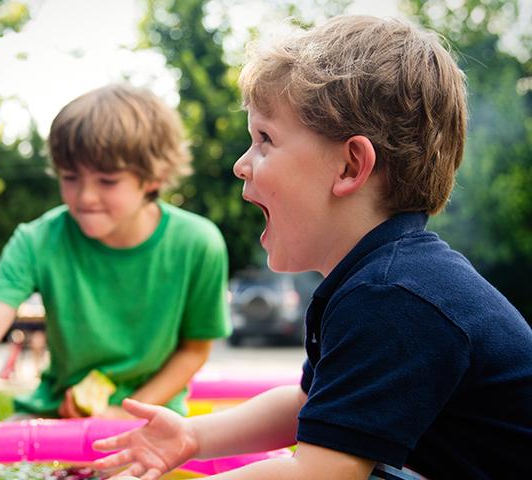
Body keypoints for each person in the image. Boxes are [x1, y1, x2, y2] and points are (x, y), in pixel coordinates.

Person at [90, 15, 532, 480]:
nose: (242, 165)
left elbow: (321, 473)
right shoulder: (378, 280)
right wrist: (194, 437)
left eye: (265, 139)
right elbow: (307, 404)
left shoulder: (395, 297)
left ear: (349, 166)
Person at [0, 83, 231, 469]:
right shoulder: (37, 240)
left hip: (151, 418)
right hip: (55, 414)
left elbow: (194, 350)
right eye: (70, 177)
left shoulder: (198, 243)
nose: (84, 196)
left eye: (107, 180)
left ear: (154, 177)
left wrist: (123, 411)